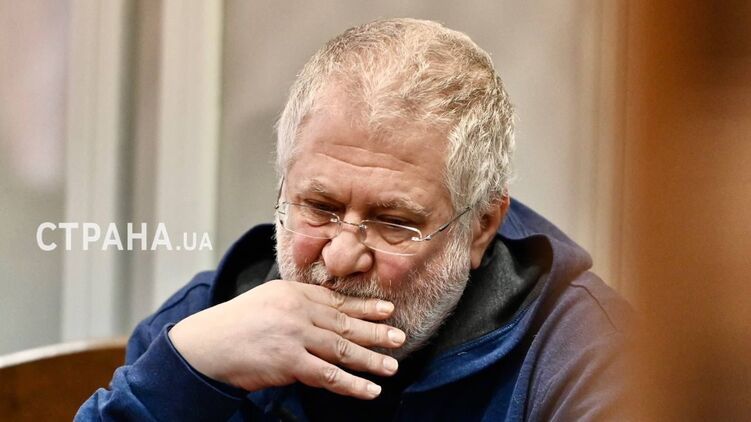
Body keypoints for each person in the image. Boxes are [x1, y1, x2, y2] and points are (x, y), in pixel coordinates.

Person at [77, 18, 631, 421]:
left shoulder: (586, 355)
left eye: (394, 222)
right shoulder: (206, 320)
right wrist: (185, 373)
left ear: (481, 227)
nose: (340, 257)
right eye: (319, 208)